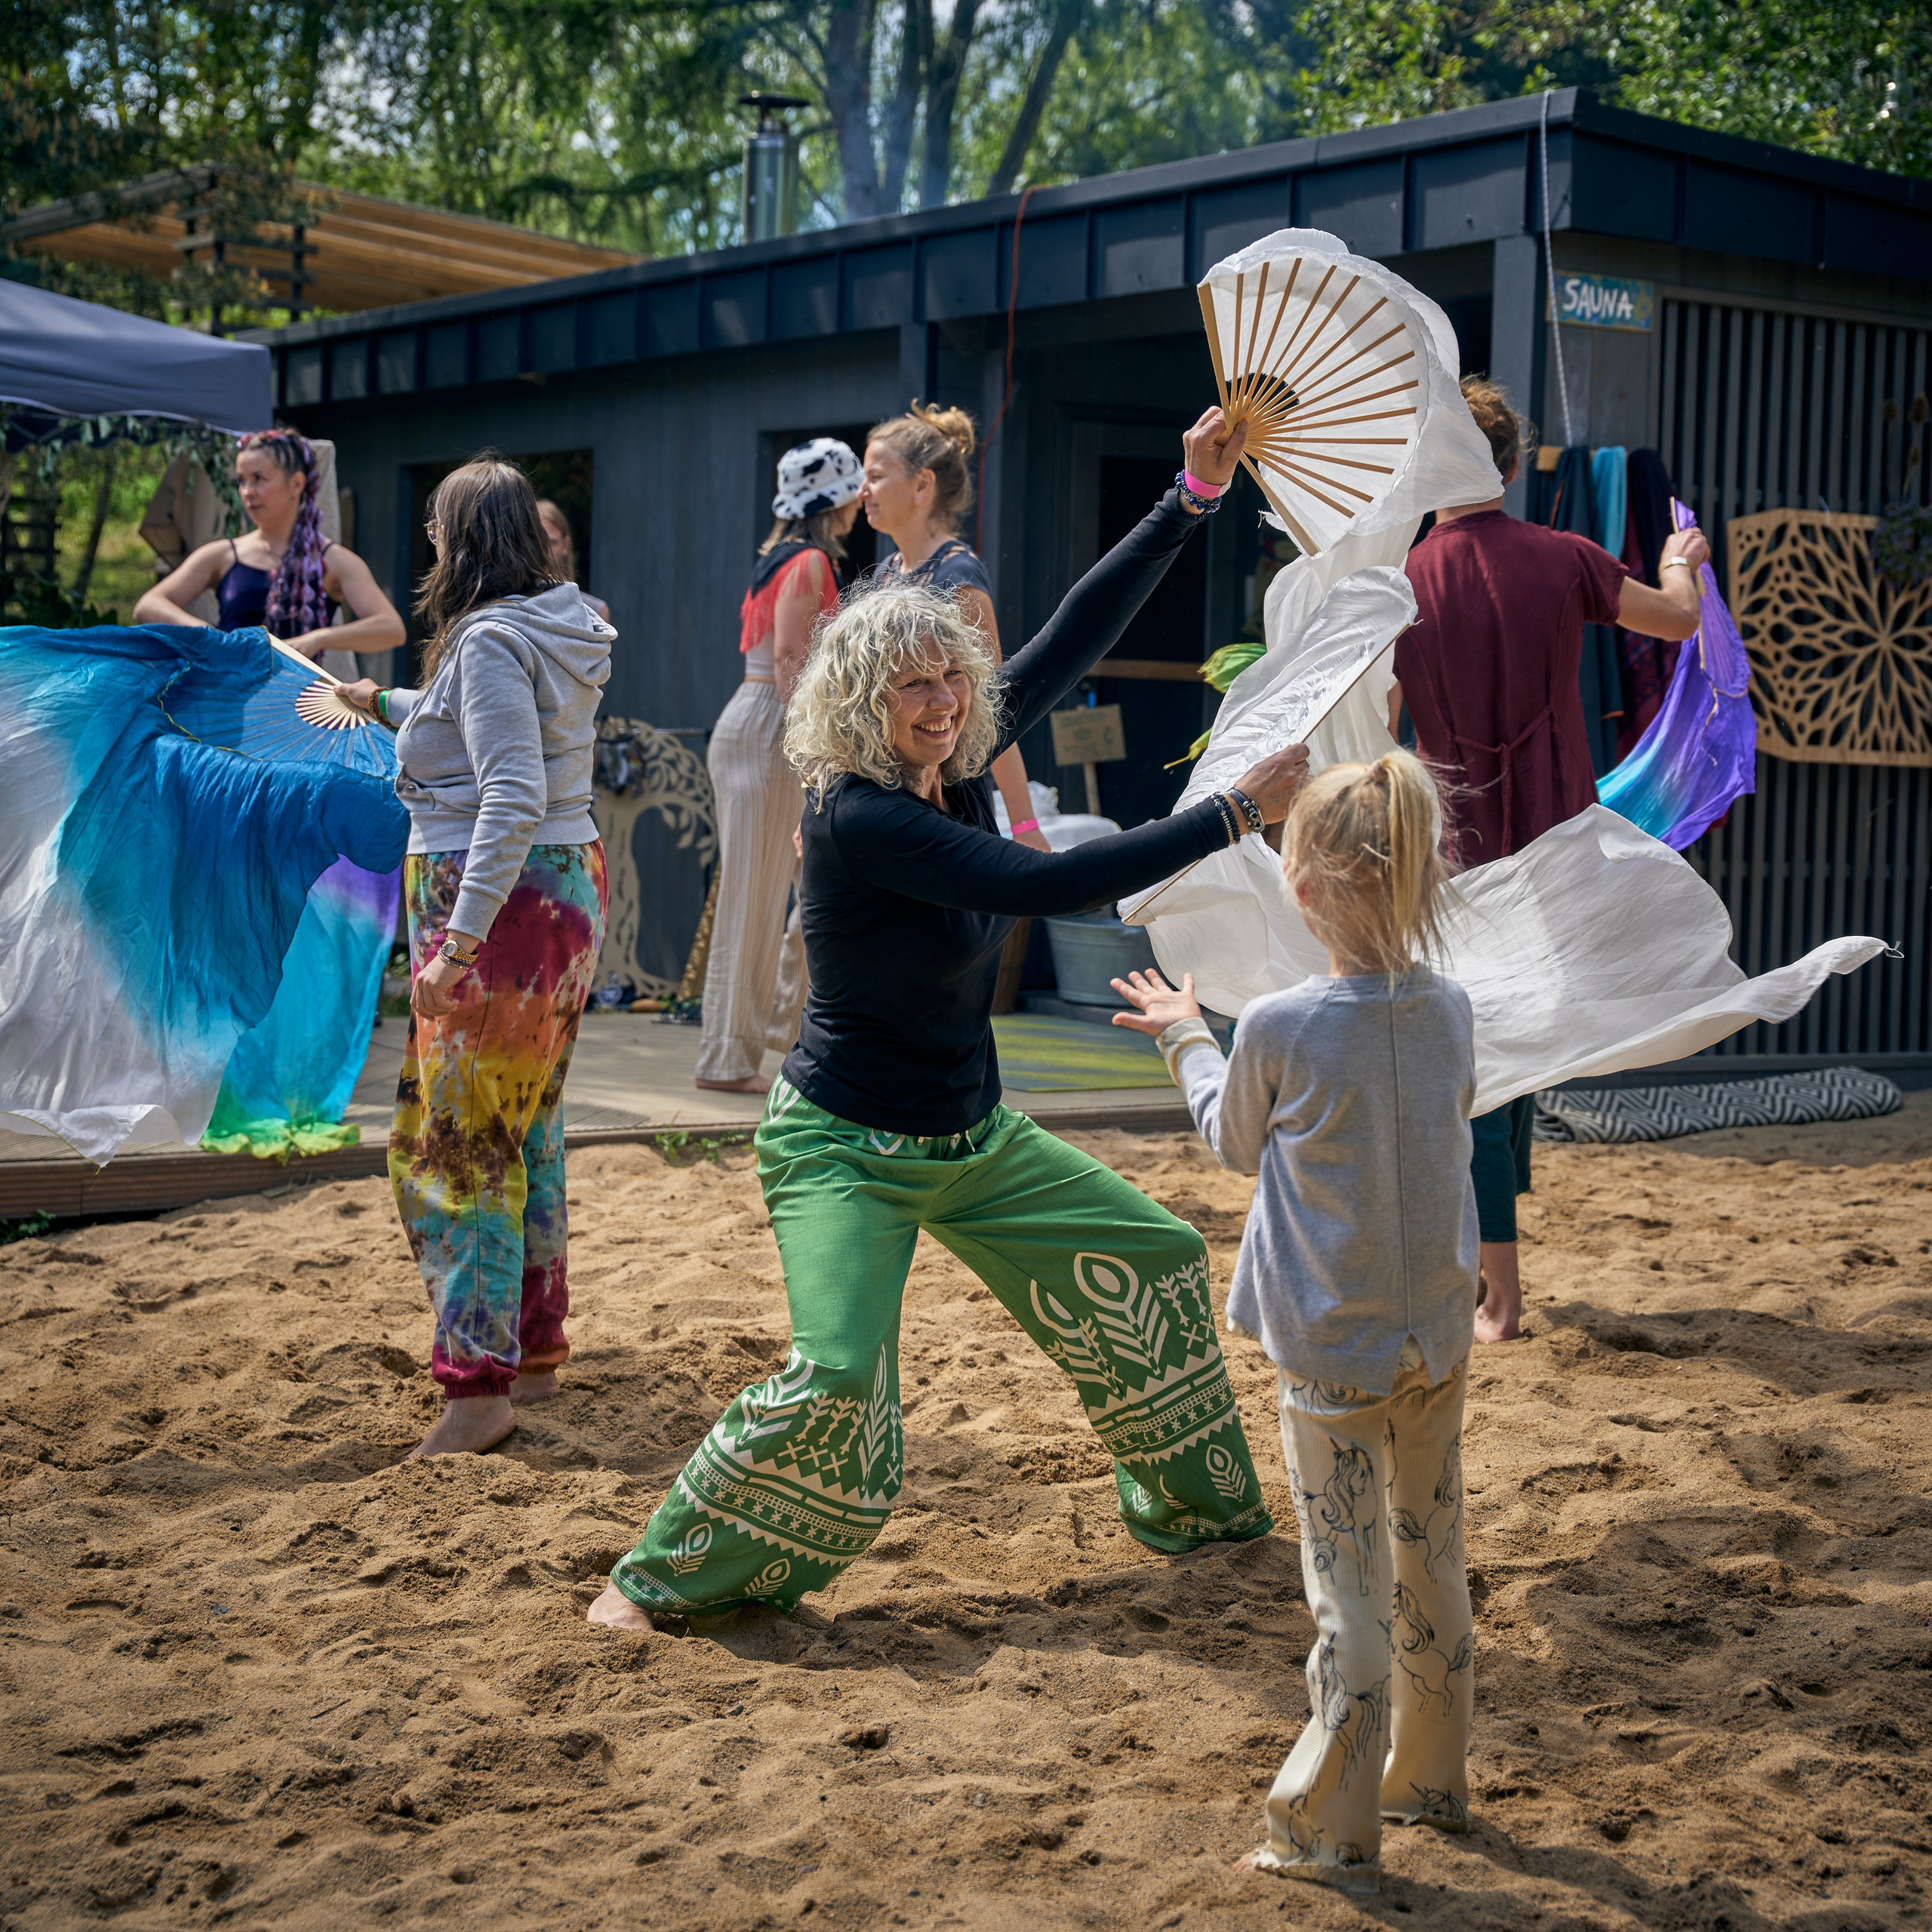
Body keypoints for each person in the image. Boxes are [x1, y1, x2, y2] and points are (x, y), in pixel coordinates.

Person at [587, 408, 1306, 1632]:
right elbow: (1045, 885)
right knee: (835, 1386)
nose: (939, 701)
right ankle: (653, 1581)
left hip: (975, 1141)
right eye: (911, 685)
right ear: (861, 702)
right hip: (843, 1149)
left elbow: (1073, 634)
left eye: (952, 678)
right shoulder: (858, 815)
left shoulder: (959, 755)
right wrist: (1234, 813)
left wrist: (1189, 498)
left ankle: (1201, 1522)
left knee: (1154, 1259)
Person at [1112, 751, 1478, 1900]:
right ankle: (1430, 1780)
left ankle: (1327, 1829)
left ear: (1304, 888)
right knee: (1432, 1559)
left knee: (1348, 1595)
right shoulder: (1451, 1008)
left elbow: (1230, 1140)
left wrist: (1185, 1033)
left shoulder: (1278, 1023)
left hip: (1332, 1355)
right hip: (1436, 1338)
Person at [1386, 378, 1709, 1345]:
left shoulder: (1398, 581)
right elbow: (1678, 621)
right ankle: (1496, 1268)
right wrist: (1678, 559)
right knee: (1509, 1043)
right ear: (1510, 466)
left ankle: (1498, 1293)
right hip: (1560, 841)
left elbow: (1377, 723)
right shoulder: (1564, 556)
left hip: (1450, 845)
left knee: (1474, 1059)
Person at [336, 458, 613, 1459]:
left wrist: (456, 946)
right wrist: (384, 702)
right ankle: (530, 1354)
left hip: (499, 905)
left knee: (457, 1145)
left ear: (460, 540)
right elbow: (484, 724)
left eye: (436, 527)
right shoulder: (549, 624)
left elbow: (510, 789)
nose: (429, 542)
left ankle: (477, 1389)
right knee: (524, 1129)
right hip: (560, 890)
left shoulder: (491, 637)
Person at [696, 438, 861, 1093]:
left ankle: (777, 1035)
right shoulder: (810, 561)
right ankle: (729, 1059)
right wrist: (813, 745)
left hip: (762, 720)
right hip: (776, 723)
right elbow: (792, 656)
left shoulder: (780, 558)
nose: (859, 504)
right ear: (833, 500)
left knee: (801, 889)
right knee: (758, 898)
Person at [861, 402, 1052, 853]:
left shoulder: (957, 577)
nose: (862, 490)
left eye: (876, 477)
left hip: (946, 798)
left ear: (922, 485)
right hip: (882, 791)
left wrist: (1024, 825)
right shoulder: (885, 573)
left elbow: (993, 710)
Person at [134, 429, 405, 659]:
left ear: (296, 484)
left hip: (298, 699)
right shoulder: (223, 555)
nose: (247, 491)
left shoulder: (331, 559)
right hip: (229, 693)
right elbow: (148, 606)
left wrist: (319, 638)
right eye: (241, 481)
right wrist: (214, 637)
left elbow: (391, 629)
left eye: (259, 479)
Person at [536, 498, 611, 623]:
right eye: (537, 542)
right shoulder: (514, 605)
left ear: (565, 545)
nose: (544, 551)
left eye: (552, 542)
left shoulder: (595, 611)